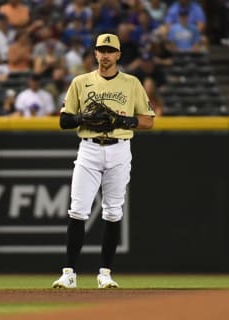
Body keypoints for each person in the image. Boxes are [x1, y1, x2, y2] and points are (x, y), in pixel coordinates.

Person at [52, 33, 155, 289]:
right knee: (77, 210)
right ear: (95, 53)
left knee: (113, 211)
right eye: (102, 50)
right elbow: (64, 120)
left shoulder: (131, 83)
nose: (106, 54)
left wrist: (122, 121)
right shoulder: (81, 82)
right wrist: (82, 119)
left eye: (111, 50)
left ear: (118, 55)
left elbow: (148, 120)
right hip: (89, 148)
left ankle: (105, 274)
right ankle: (69, 274)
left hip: (119, 148)